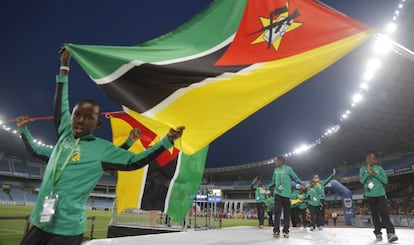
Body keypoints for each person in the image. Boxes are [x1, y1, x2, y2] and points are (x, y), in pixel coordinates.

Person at [17, 47, 185, 245]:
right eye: (77, 115)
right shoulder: (64, 136)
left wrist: (167, 141)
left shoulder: (101, 149)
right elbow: (57, 110)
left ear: (98, 123)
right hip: (40, 223)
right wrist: (64, 67)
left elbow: (132, 161)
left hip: (67, 231)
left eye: (88, 118)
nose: (80, 120)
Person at [359, 153, 398, 242]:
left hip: (380, 194)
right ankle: (378, 233)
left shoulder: (379, 168)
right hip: (370, 195)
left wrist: (374, 173)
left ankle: (390, 233)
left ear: (375, 160)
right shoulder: (362, 169)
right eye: (369, 158)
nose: (371, 160)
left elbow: (385, 181)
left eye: (373, 158)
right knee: (375, 215)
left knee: (384, 213)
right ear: (366, 160)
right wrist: (367, 173)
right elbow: (361, 181)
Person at [267, 156, 302, 238]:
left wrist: (301, 183)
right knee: (277, 213)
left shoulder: (288, 169)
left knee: (287, 214)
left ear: (281, 161)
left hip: (287, 195)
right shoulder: (275, 170)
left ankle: (286, 231)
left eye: (276, 161)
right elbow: (273, 181)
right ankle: (276, 231)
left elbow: (295, 177)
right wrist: (268, 186)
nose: (275, 162)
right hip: (277, 194)